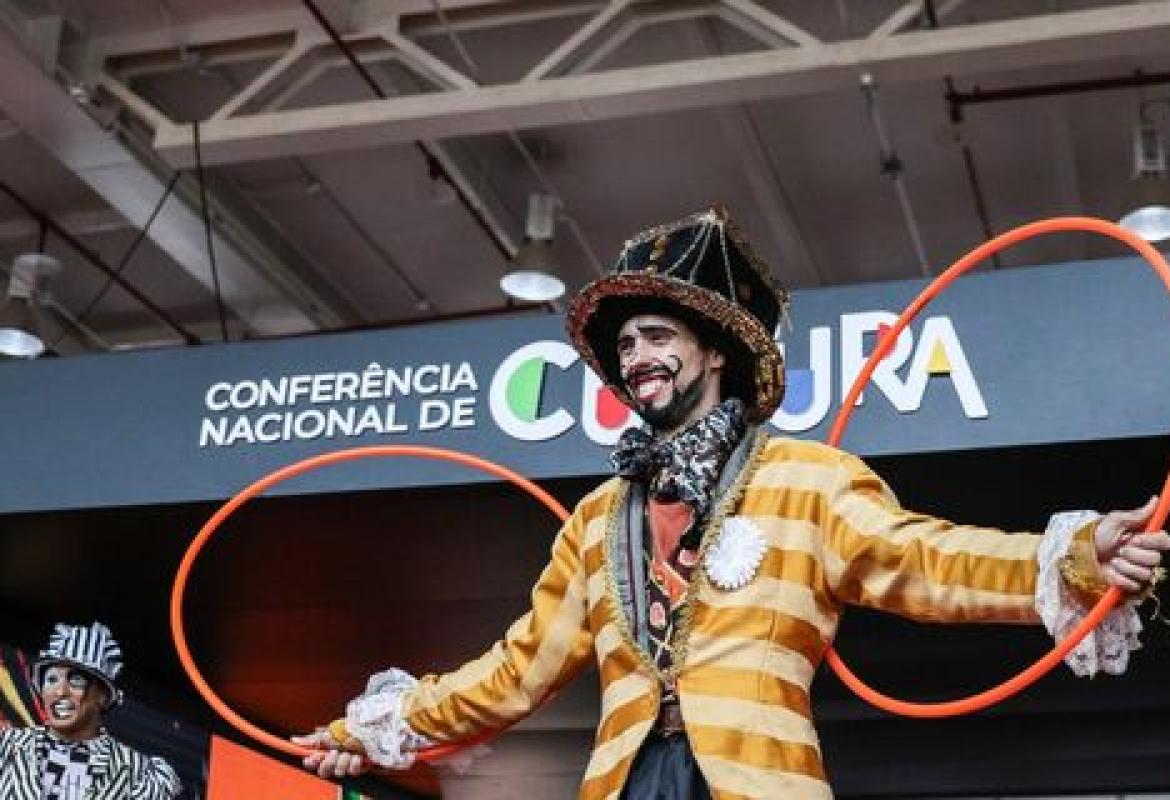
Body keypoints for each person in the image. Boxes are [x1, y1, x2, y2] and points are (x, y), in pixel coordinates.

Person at [294, 208, 1169, 798]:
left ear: (716, 353)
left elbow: (925, 560)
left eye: (657, 336)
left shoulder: (809, 480)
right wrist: (372, 729)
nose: (636, 356)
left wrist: (1075, 554)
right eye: (624, 345)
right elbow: (513, 671)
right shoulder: (596, 520)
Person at [0, 621, 182, 799]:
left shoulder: (138, 772)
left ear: (103, 696)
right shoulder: (9, 745)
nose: (60, 691)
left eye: (76, 680)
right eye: (52, 679)